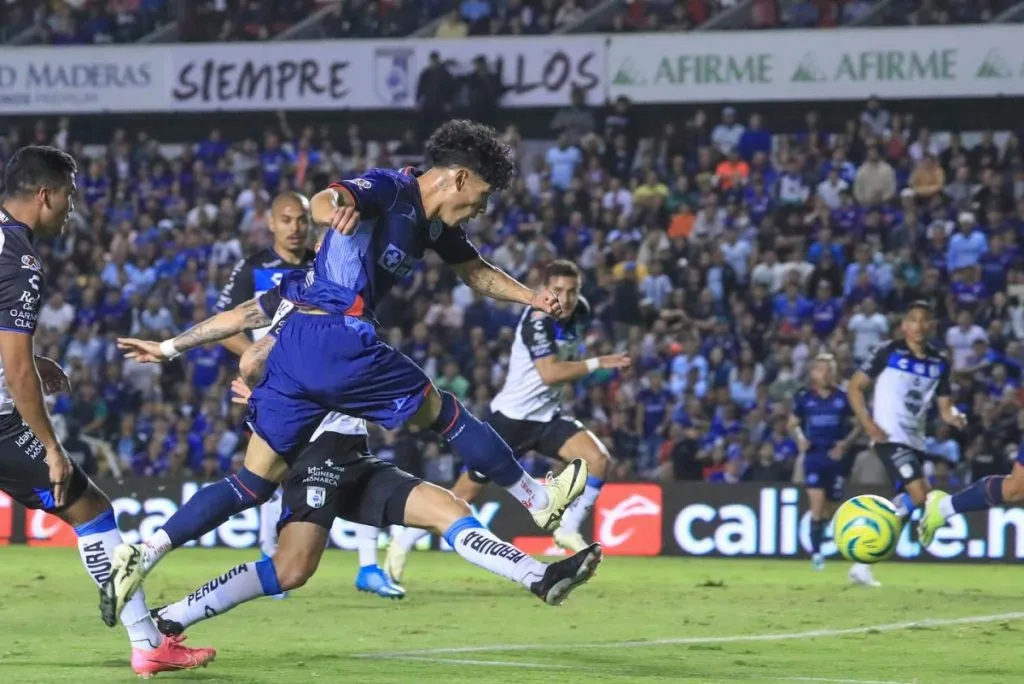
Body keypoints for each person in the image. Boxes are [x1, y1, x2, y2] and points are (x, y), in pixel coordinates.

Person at [103, 120, 592, 621]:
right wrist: (337, 209)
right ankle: (536, 498)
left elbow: (476, 272)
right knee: (445, 414)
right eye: (485, 194)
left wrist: (168, 347)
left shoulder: (429, 231)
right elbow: (324, 200)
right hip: (340, 339)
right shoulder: (391, 187)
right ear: (461, 178)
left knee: (252, 485)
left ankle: (142, 554)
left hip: (294, 356)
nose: (485, 207)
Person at [119, 265, 602, 633]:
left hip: (354, 450)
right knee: (291, 569)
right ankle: (168, 614)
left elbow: (239, 321)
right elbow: (250, 350)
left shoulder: (323, 291)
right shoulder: (308, 299)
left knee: (447, 508)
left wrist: (169, 348)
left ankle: (540, 577)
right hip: (314, 451)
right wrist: (251, 384)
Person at [0, 146, 215, 677]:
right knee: (90, 507)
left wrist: (32, 354)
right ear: (45, 195)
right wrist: (51, 447)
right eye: (69, 197)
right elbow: (17, 373)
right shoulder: (18, 259)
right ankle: (147, 643)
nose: (72, 208)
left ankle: (148, 642)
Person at [385, 260, 629, 579]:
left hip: (547, 418)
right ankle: (402, 543)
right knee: (463, 496)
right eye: (557, 291)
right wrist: (599, 362)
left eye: (572, 292)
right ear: (545, 290)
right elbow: (550, 372)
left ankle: (567, 530)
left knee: (598, 459)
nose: (566, 300)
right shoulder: (537, 320)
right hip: (511, 420)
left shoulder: (580, 312)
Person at [214, 191, 400, 600]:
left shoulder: (328, 261)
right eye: (286, 220)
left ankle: (368, 566)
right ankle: (270, 559)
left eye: (301, 219)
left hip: (330, 376)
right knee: (269, 470)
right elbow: (229, 321)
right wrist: (259, 362)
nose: (295, 227)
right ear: (271, 224)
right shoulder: (255, 267)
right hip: (280, 386)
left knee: (357, 454)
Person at [847, 301, 967, 559]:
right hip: (889, 437)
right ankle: (879, 535)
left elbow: (946, 408)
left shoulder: (940, 361)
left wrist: (955, 417)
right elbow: (854, 387)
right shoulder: (888, 352)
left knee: (909, 502)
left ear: (932, 325)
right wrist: (868, 425)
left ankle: (866, 554)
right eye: (913, 320)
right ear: (904, 325)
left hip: (916, 440)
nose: (919, 326)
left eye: (924, 320)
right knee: (920, 494)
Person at [789, 353, 870, 583]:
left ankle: (833, 543)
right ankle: (816, 554)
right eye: (821, 369)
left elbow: (860, 423)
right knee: (816, 502)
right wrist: (800, 438)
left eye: (829, 369)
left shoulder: (843, 398)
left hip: (835, 459)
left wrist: (846, 443)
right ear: (814, 373)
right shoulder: (805, 398)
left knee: (831, 508)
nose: (825, 373)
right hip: (814, 457)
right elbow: (792, 423)